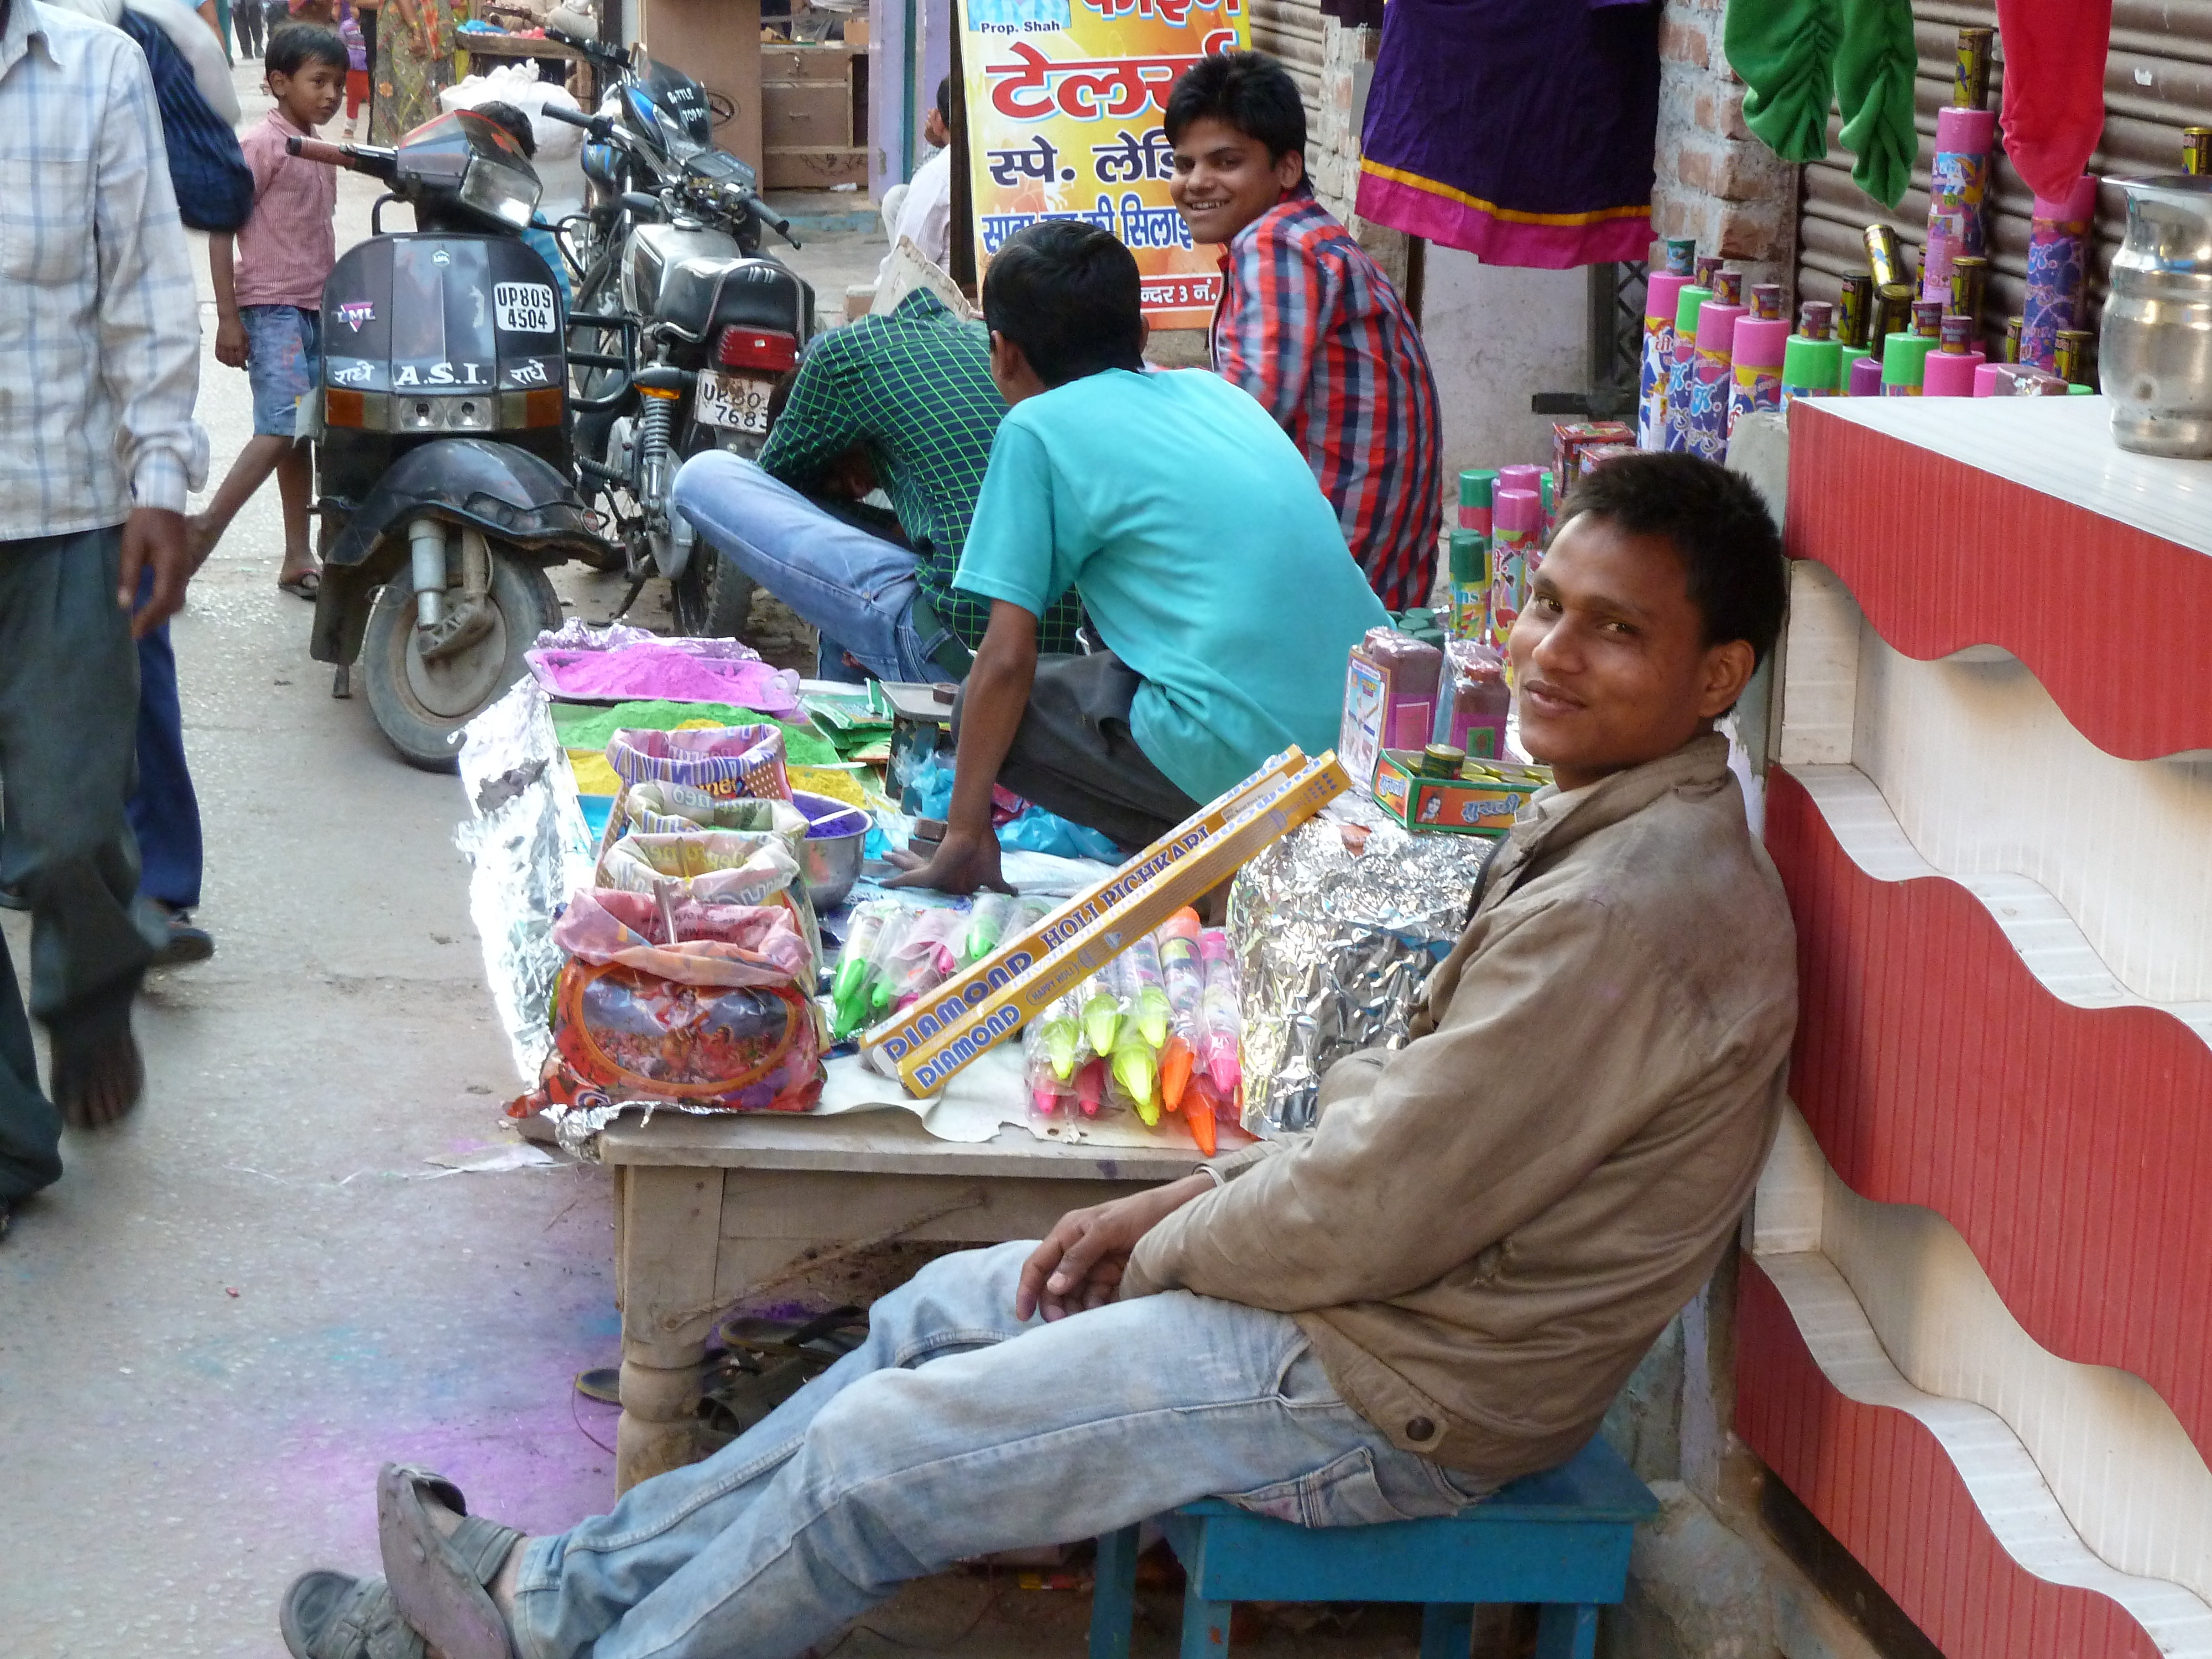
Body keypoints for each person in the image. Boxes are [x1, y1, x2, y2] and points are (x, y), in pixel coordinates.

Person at [278, 451, 1797, 1659]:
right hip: (1380, 1303)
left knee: (888, 1458)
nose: (1547, 650)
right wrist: (1151, 1219)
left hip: (1402, 1383)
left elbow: (1382, 1199)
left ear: (1717, 676)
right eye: (1544, 603)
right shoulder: (1609, 831)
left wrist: (1162, 1250)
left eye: (1615, 630)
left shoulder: (1638, 907)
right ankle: (551, 1603)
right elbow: (1393, 1138)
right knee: (940, 1309)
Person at [895, 220, 1389, 878]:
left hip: (1258, 762)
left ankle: (1222, 852)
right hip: (1371, 736)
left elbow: (1006, 659)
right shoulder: (1217, 393)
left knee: (982, 707)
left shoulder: (1036, 428)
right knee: (1112, 664)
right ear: (1143, 334)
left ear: (1002, 352)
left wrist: (964, 829)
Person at [0, 0, 207, 1237]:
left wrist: (160, 480)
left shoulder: (95, 67)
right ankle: (8, 1144)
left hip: (67, 509)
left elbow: (144, 284)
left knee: (71, 825)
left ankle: (89, 988)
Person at [671, 288, 1085, 685]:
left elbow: (773, 496)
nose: (853, 491)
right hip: (1071, 662)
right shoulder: (986, 345)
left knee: (702, 476)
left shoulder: (839, 357)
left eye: (839, 479)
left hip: (970, 665)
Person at [1166, 51, 1443, 614]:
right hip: (1381, 575)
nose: (1196, 183)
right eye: (1183, 164)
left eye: (1225, 162)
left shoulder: (1276, 242)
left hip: (1328, 572)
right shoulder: (1316, 235)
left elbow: (1245, 417)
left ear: (1287, 169)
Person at [187, 24, 345, 598]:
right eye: (318, 82)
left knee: (308, 433)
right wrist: (229, 317)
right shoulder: (263, 144)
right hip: (271, 308)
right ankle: (202, 531)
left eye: (339, 85)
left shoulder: (321, 147)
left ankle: (299, 554)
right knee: (282, 426)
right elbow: (221, 226)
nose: (331, 95)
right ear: (279, 83)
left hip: (316, 310)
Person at [471, 99, 573, 308]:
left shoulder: (530, 224)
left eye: (507, 159)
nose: (494, 166)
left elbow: (560, 297)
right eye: (486, 151)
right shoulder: (443, 211)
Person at [875, 76, 952, 277]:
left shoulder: (937, 174)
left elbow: (906, 270)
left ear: (938, 119)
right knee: (896, 199)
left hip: (951, 296)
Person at [371, 0, 449, 139]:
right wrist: (416, 29)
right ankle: (404, 154)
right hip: (409, 28)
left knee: (426, 102)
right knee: (409, 103)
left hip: (426, 28)